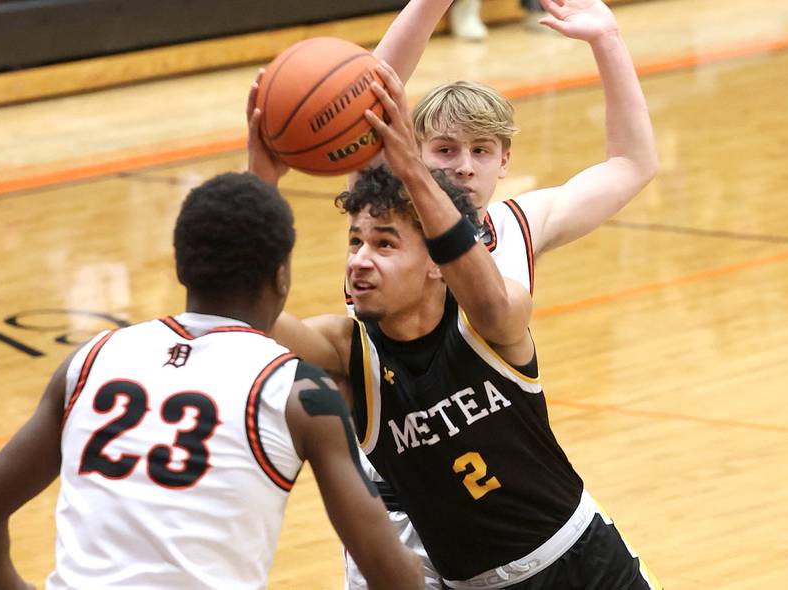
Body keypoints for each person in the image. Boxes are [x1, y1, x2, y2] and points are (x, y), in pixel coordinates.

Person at [249, 41, 661, 587]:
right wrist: (261, 179)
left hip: (572, 555)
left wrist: (605, 35)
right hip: (407, 527)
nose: (362, 258)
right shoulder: (360, 319)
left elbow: (630, 165)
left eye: (481, 152)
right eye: (355, 242)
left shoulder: (497, 299)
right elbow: (251, 318)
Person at [0, 173, 424, 590]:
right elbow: (390, 576)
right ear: (282, 276)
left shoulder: (89, 359)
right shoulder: (300, 392)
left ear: (180, 267)